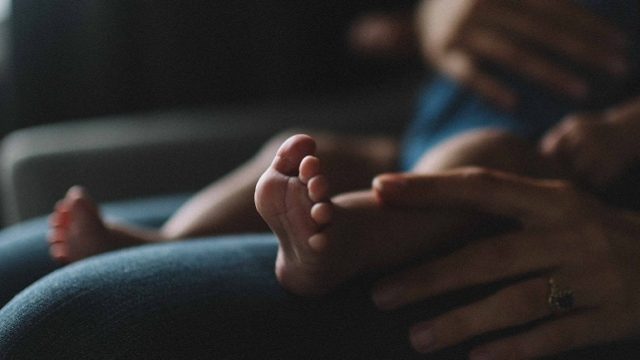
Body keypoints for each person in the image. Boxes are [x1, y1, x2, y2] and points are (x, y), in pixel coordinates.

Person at [1, 0, 639, 358]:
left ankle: (337, 244)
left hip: (547, 169)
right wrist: (422, 20)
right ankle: (161, 240)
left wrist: (622, 131)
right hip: (420, 133)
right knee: (311, 152)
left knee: (480, 162)